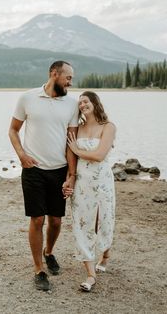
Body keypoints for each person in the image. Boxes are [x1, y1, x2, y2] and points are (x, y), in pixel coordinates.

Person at [8, 61, 78, 291]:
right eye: (68, 77)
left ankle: (49, 252)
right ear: (54, 73)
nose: (70, 82)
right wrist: (21, 155)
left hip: (58, 170)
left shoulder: (72, 103)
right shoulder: (27, 98)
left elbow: (71, 142)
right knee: (37, 219)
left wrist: (71, 173)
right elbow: (13, 130)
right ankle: (38, 269)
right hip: (33, 170)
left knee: (56, 220)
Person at [66, 91, 116, 292]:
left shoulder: (108, 127)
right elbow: (70, 156)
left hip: (103, 180)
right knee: (82, 222)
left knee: (104, 219)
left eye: (86, 101)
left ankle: (105, 255)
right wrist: (70, 178)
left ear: (95, 102)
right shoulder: (76, 129)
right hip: (82, 182)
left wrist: (78, 151)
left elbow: (100, 154)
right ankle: (90, 274)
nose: (82, 105)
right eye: (79, 103)